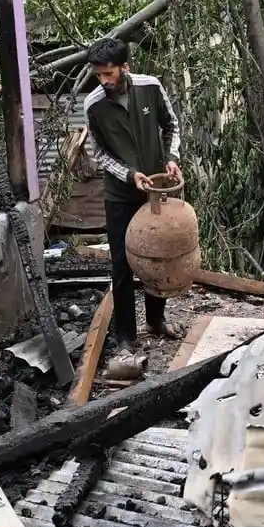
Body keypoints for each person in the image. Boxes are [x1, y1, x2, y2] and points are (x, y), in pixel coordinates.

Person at [83, 38, 185, 354]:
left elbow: (172, 124)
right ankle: (126, 335)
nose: (104, 81)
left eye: (108, 73)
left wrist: (171, 157)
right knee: (122, 264)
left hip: (155, 190)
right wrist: (127, 174)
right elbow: (96, 151)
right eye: (98, 75)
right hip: (120, 195)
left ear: (125, 67)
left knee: (157, 256)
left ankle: (156, 320)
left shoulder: (151, 87)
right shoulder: (94, 105)